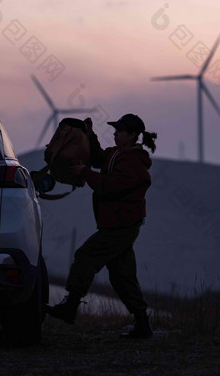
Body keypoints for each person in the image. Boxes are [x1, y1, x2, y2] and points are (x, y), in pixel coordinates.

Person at [45, 113, 157, 338]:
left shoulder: (133, 161)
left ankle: (70, 306)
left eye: (120, 130)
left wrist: (84, 173)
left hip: (120, 227)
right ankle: (143, 325)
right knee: (122, 276)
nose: (115, 133)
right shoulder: (116, 153)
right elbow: (97, 157)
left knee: (86, 256)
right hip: (116, 224)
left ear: (132, 135)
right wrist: (90, 134)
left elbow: (111, 186)